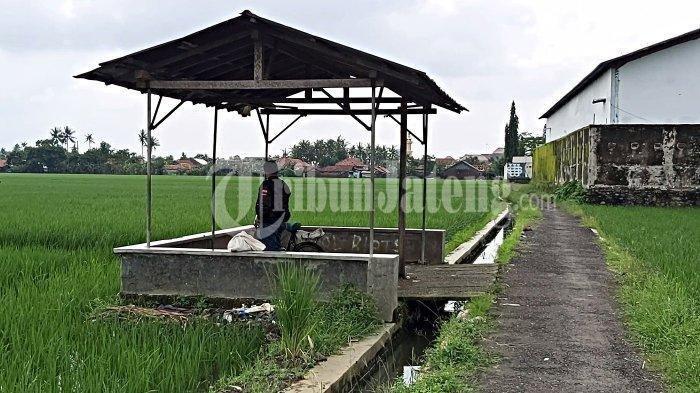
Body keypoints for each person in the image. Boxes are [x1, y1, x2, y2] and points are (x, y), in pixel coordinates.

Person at [255, 160, 291, 251]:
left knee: (271, 252)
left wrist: (260, 216)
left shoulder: (266, 185)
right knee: (276, 246)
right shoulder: (283, 184)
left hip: (269, 222)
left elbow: (264, 205)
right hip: (281, 220)